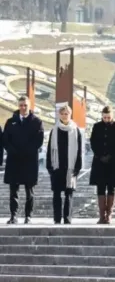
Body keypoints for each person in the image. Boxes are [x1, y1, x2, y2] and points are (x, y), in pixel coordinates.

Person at [3, 96, 44, 224]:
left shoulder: (37, 122)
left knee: (29, 191)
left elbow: (39, 141)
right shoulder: (10, 122)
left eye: (25, 105)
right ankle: (13, 216)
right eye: (21, 105)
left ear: (29, 105)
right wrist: (13, 151)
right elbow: (5, 140)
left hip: (29, 161)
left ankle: (28, 216)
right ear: (18, 106)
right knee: (13, 191)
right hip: (14, 161)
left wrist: (26, 151)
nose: (23, 107)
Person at [46, 104, 82, 224]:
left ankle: (67, 218)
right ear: (59, 115)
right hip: (57, 167)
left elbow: (80, 149)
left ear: (70, 114)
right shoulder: (54, 130)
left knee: (69, 194)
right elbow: (49, 149)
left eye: (66, 113)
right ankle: (57, 218)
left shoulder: (75, 130)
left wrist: (78, 166)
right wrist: (49, 166)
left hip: (70, 167)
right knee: (56, 194)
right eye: (62, 113)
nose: (64, 115)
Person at [89, 106, 115, 224]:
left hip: (113, 161)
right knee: (100, 187)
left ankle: (109, 215)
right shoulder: (97, 126)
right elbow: (93, 142)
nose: (106, 119)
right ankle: (101, 215)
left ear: (112, 116)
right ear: (101, 116)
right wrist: (100, 155)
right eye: (104, 117)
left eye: (108, 117)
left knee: (111, 187)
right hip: (99, 161)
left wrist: (110, 155)